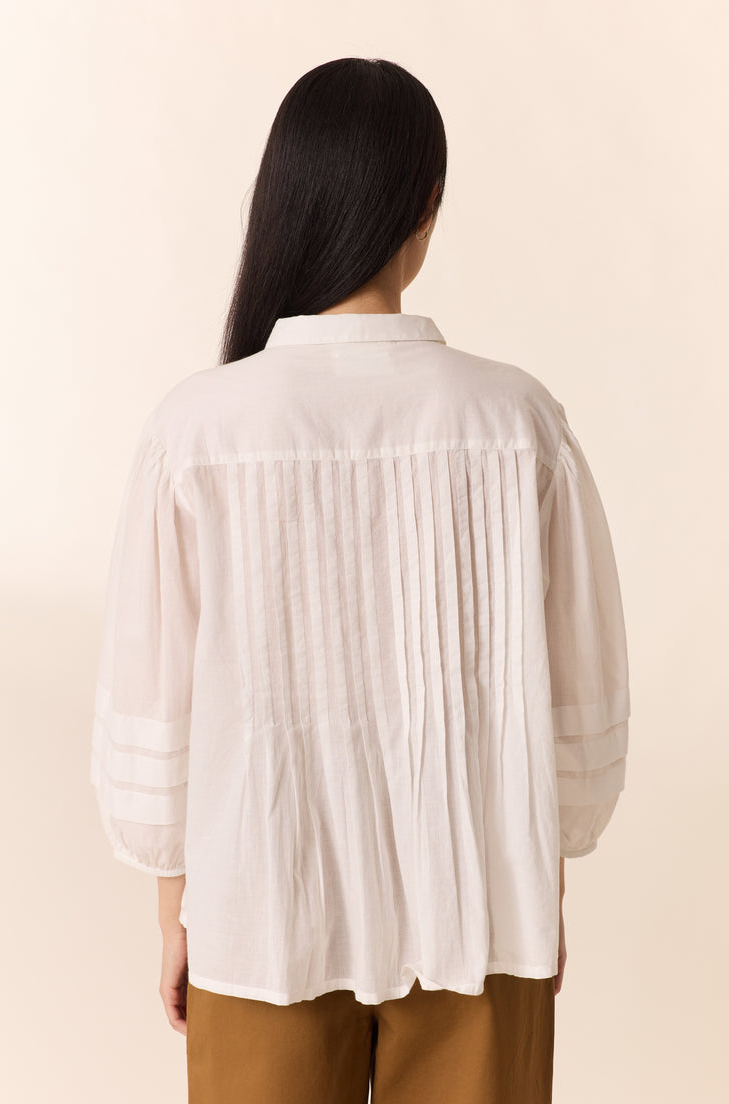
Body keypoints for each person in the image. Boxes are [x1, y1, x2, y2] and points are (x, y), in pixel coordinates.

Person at [89, 57, 630, 1104]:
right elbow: (575, 691)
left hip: (260, 917)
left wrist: (175, 910)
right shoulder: (517, 423)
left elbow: (157, 700)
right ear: (428, 203)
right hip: (483, 919)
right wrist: (543, 882)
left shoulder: (197, 430)